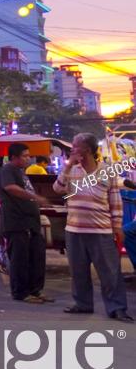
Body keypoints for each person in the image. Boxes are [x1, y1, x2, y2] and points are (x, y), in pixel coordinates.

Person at [52, 134, 132, 321]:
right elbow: (57, 188)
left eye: (75, 146)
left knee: (110, 272)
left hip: (101, 231)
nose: (72, 149)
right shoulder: (71, 170)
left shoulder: (107, 171)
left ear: (87, 149)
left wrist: (118, 227)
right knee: (78, 270)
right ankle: (83, 304)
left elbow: (115, 200)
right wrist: (68, 165)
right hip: (74, 230)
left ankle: (117, 308)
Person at [0, 143, 51, 305]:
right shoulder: (7, 170)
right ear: (14, 157)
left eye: (29, 155)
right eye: (25, 156)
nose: (29, 158)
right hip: (17, 222)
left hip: (31, 221)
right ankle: (21, 293)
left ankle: (35, 290)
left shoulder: (21, 172)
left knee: (36, 257)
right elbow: (11, 188)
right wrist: (35, 198)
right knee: (20, 259)